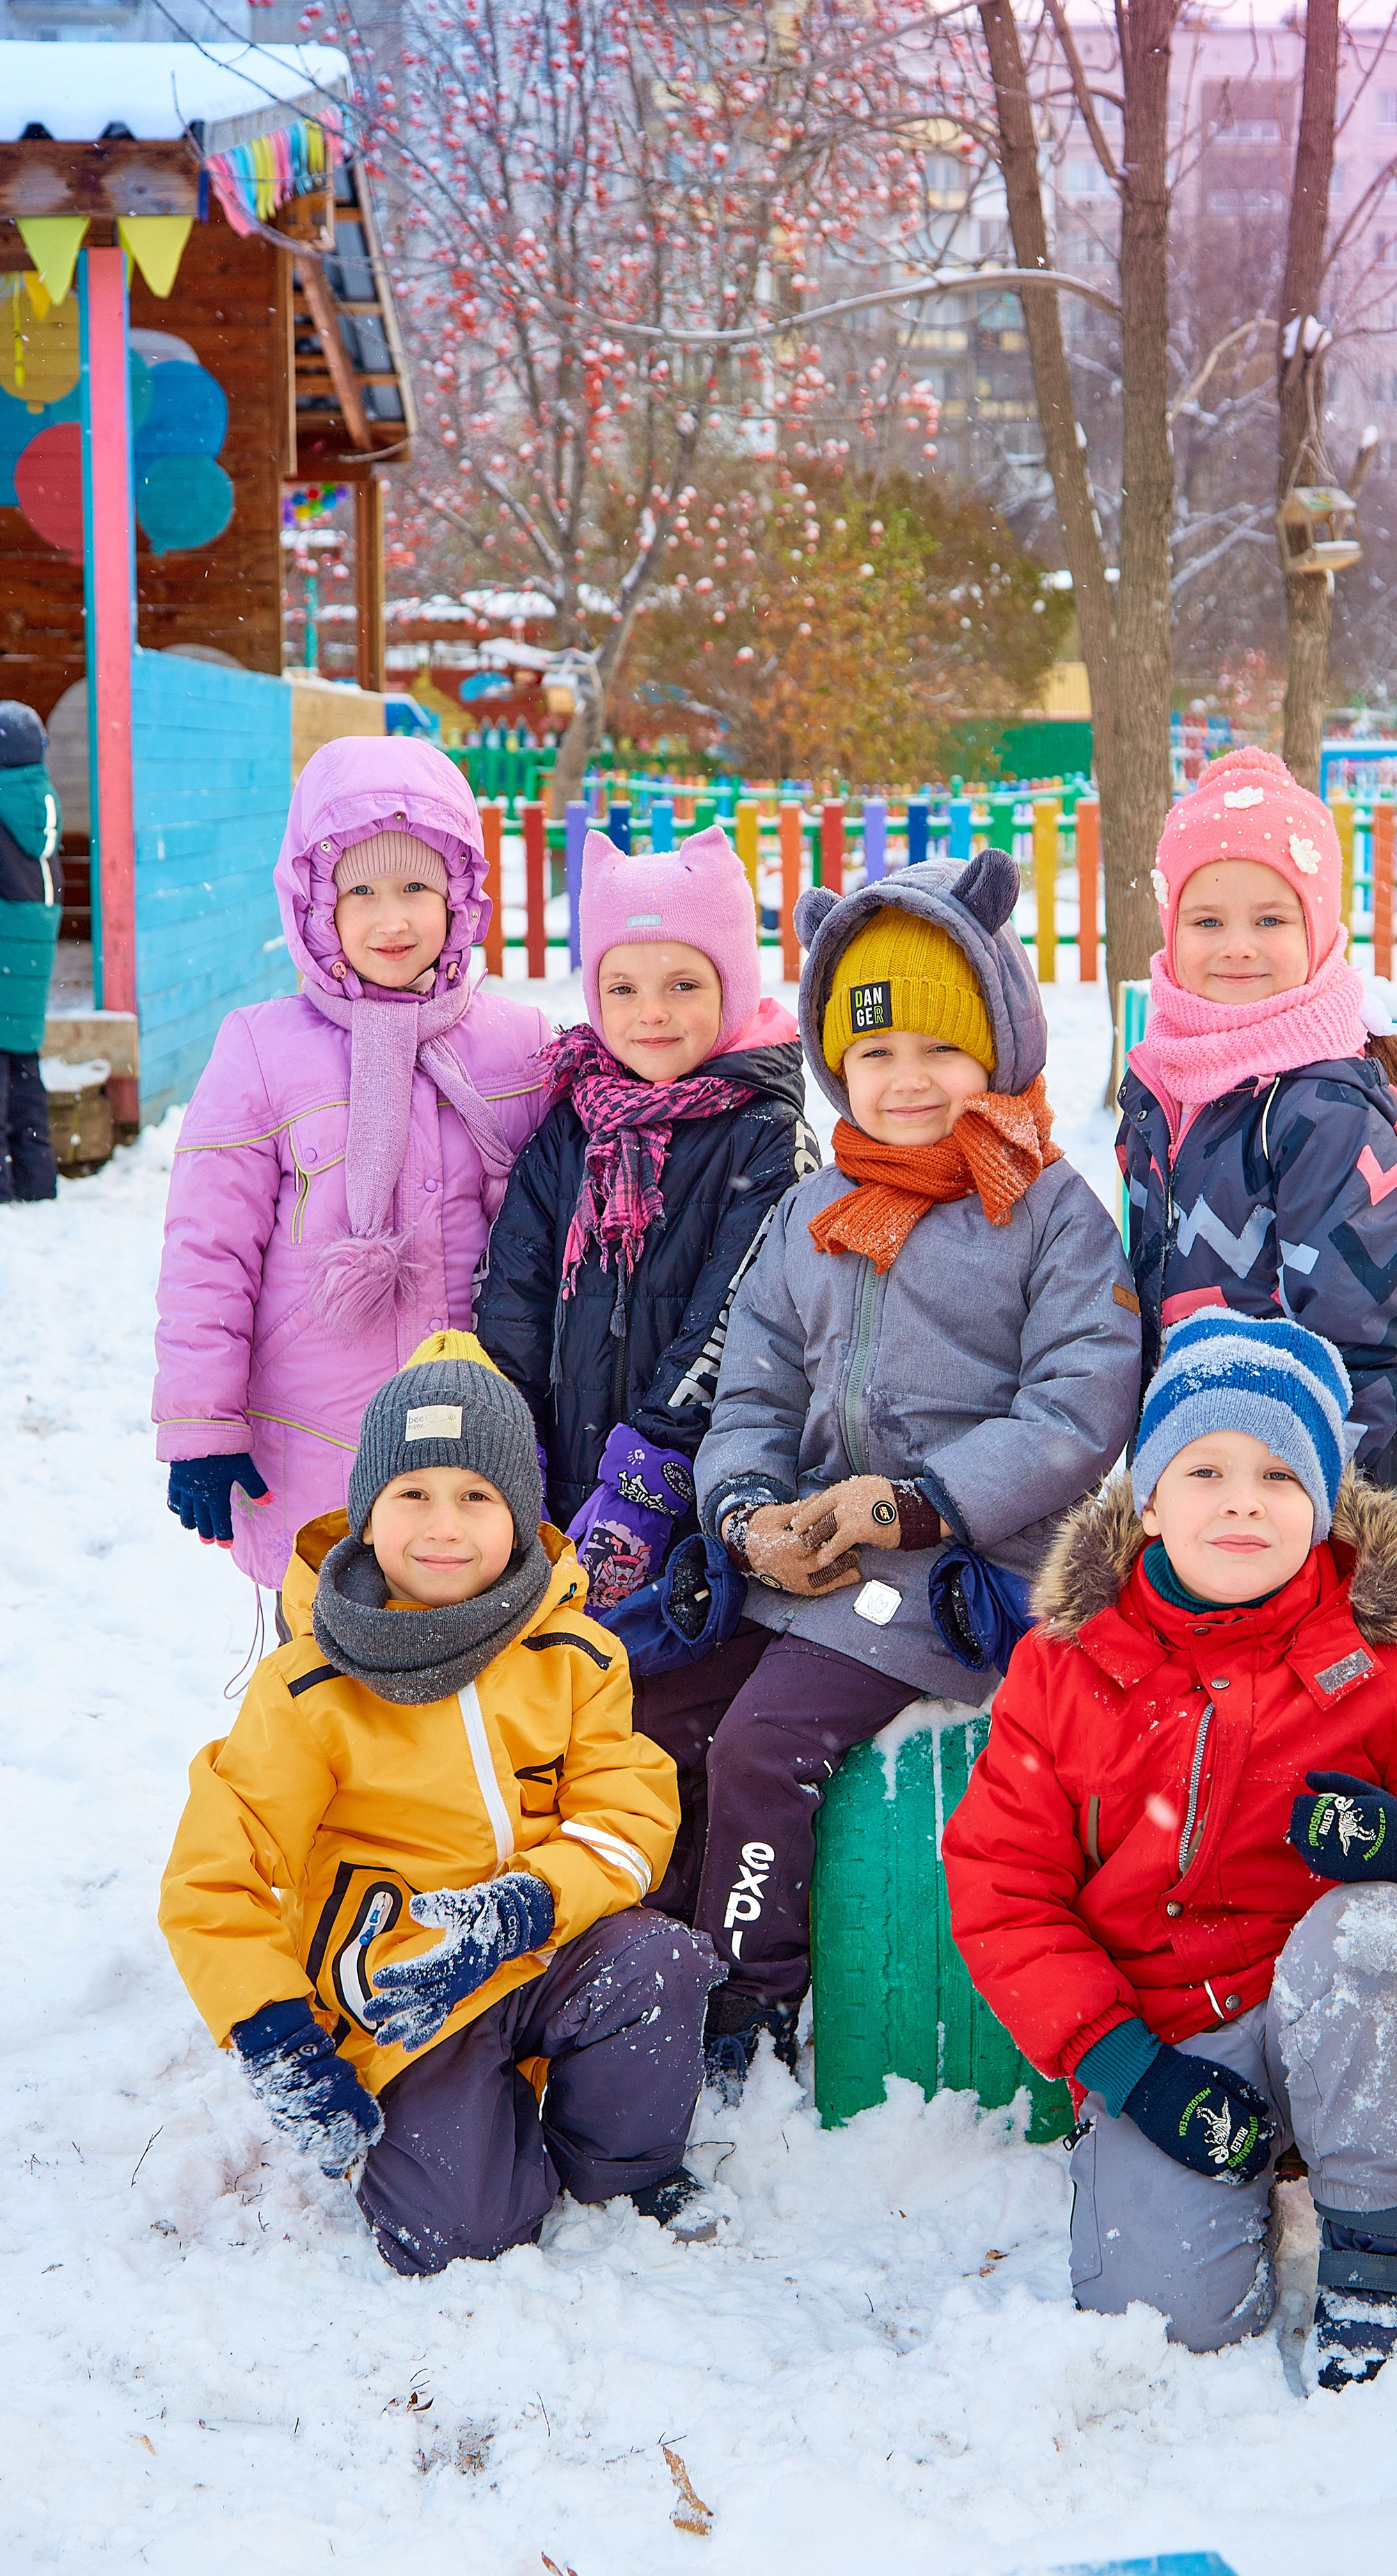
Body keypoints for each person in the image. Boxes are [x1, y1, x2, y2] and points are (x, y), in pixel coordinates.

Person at [943, 1307, 1397, 2389]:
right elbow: (1003, 1885)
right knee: (1165, 2320)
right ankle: (1219, 2165)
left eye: (1281, 1476)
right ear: (1147, 1502)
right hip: (1173, 2042)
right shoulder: (1066, 1667)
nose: (1241, 1499)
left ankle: (1381, 2242)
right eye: (1206, 1468)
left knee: (1380, 1931)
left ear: (1322, 1513)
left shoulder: (1390, 1664)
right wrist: (1131, 2073)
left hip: (1334, 2013)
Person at [651, 849, 1142, 2090]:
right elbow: (754, 1383)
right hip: (813, 1559)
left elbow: (1080, 1405)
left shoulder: (1045, 1211)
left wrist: (916, 1506)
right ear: (837, 1067)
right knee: (660, 1710)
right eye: (876, 1055)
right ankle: (643, 1963)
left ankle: (748, 2004)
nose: (908, 1080)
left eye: (939, 1048)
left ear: (1001, 1044)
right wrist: (749, 1510)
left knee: (766, 1743)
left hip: (958, 1570)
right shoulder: (821, 1211)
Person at [159, 1332, 723, 2274]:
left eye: (477, 1496)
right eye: (411, 1494)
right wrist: (279, 2038)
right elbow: (215, 1880)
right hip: (405, 1999)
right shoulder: (307, 1691)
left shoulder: (576, 1657)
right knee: (464, 2238)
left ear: (520, 1516)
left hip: (537, 1946)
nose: (444, 1526)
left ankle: (618, 2168)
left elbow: (633, 1813)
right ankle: (461, 2141)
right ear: (366, 1515)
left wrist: (528, 1904)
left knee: (659, 1963)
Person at [152, 738, 553, 1591]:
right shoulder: (262, 1049)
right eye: (360, 891)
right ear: (314, 902)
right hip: (315, 1432)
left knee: (471, 1661)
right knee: (330, 1666)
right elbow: (207, 1251)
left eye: (417, 887)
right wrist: (202, 1426)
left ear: (461, 896)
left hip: (477, 1439)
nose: (392, 919)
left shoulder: (519, 1045)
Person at [1118, 746, 1397, 1490]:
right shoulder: (1169, 1080)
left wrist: (1320, 1517)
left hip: (1293, 1502)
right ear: (1169, 927)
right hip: (1190, 1480)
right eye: (1207, 920)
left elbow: (1359, 1349)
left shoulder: (1322, 1110)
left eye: (1271, 918)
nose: (1237, 946)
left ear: (1316, 930)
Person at [475, 825, 812, 1610]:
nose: (650, 1014)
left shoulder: (766, 1133)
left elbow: (732, 1316)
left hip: (690, 1491)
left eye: (683, 986)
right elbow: (514, 1288)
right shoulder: (573, 1124)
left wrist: (649, 1469)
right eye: (621, 989)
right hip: (556, 1481)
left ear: (730, 983)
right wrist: (507, 1433)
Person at [0, 700, 61, 1206]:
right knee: (24, 1069)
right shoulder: (38, 805)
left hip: (5, 957)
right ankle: (37, 1181)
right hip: (29, 965)